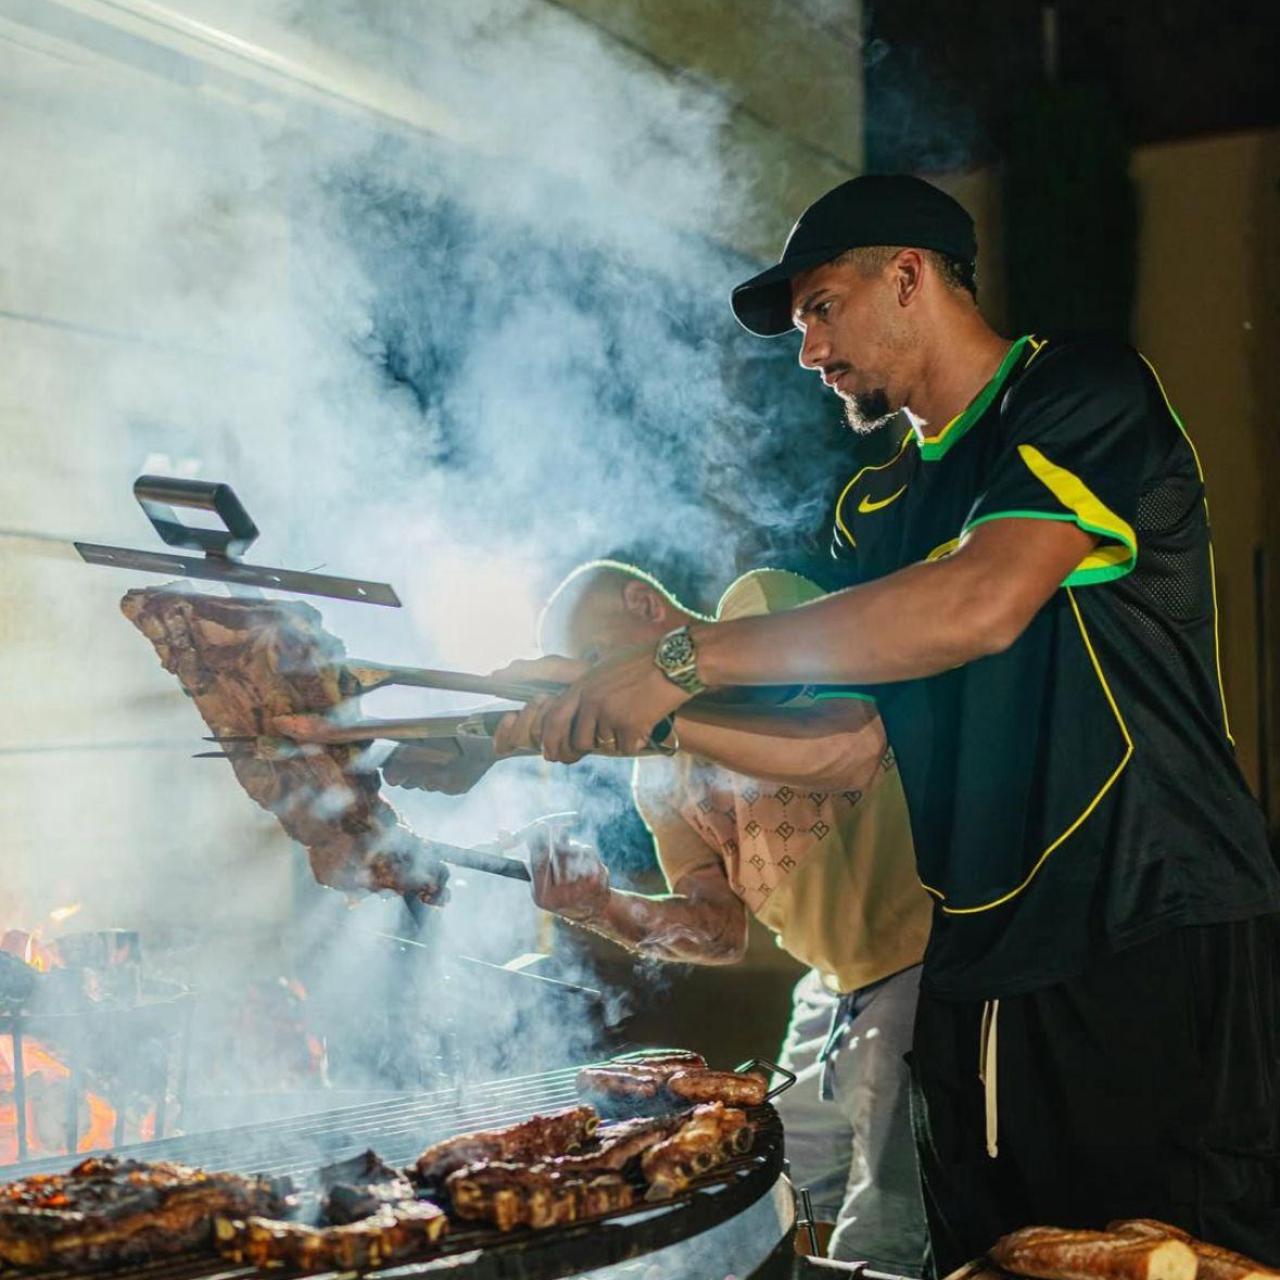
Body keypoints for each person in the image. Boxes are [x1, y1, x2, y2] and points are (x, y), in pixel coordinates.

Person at [515, 177, 1280, 1270]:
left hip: (1144, 916)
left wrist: (680, 659)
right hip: (974, 957)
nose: (807, 349)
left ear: (908, 277)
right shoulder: (870, 506)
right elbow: (838, 739)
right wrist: (649, 715)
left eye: (821, 307)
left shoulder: (1079, 392)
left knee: (1175, 1255)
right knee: (996, 1257)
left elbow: (978, 599)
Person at [386, 559, 933, 1272]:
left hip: (924, 961)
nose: (592, 689)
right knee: (773, 1192)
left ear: (644, 604)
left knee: (885, 1233)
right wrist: (601, 906)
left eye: (591, 661)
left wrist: (538, 727)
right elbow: (718, 930)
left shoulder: (756, 609)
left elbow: (842, 741)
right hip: (831, 987)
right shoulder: (657, 778)